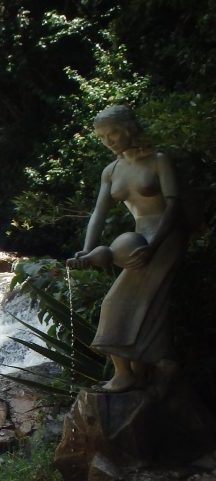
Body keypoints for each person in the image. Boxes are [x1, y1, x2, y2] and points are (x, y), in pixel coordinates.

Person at [66, 104, 186, 392]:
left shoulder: (158, 160)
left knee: (116, 302)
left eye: (113, 133)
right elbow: (99, 212)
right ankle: (138, 371)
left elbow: (173, 206)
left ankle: (126, 374)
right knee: (138, 303)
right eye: (102, 137)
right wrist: (87, 249)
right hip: (138, 237)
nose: (108, 141)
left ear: (129, 129)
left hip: (165, 238)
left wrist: (154, 246)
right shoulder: (111, 171)